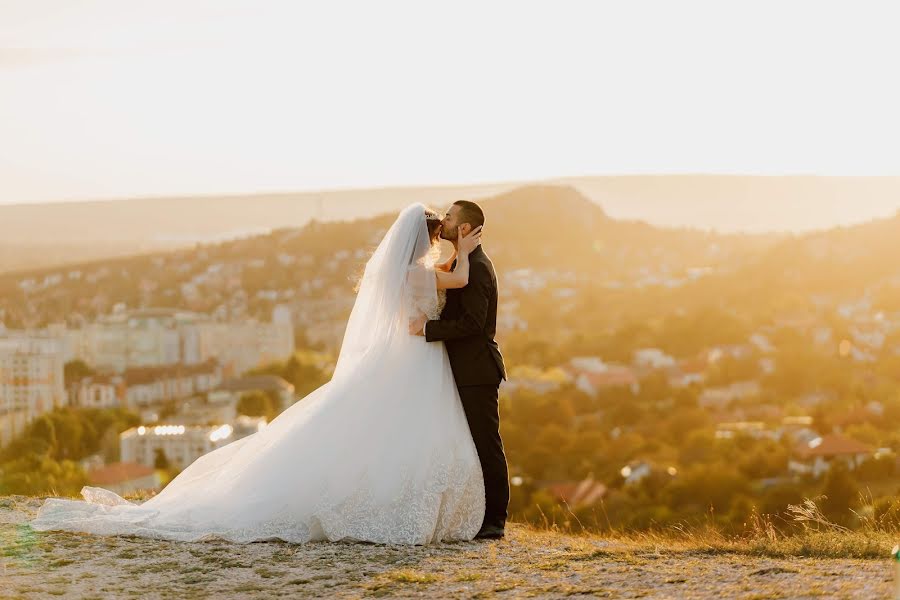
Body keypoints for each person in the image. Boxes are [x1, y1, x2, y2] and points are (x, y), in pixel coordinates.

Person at [31, 204, 487, 545]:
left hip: (415, 358)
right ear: (422, 240)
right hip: (413, 359)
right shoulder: (416, 275)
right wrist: (465, 249)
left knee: (394, 431)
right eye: (436, 234)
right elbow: (462, 281)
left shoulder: (411, 272)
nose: (439, 239)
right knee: (398, 431)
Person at [410, 200, 509, 540]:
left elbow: (473, 324)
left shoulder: (478, 267)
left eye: (450, 217)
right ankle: (471, 514)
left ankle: (495, 521)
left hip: (476, 371)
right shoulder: (458, 262)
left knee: (486, 445)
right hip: (457, 370)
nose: (444, 220)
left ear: (464, 229)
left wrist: (427, 330)